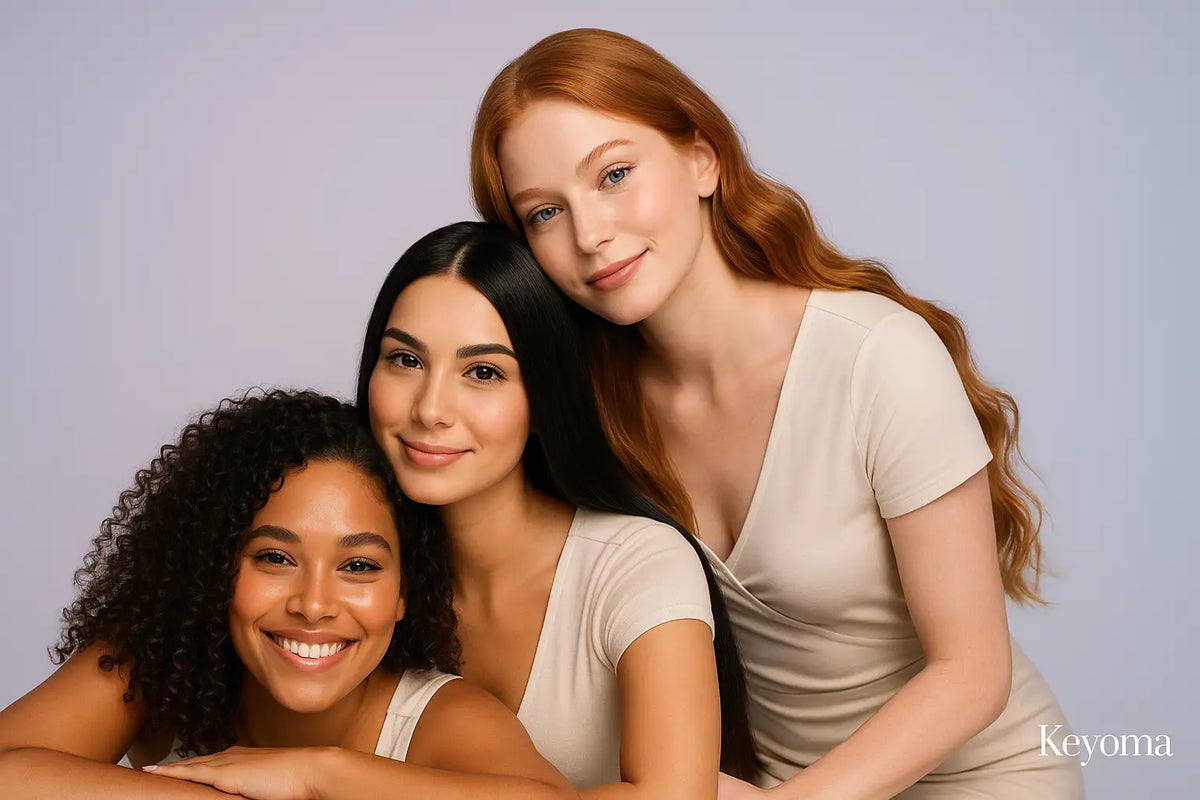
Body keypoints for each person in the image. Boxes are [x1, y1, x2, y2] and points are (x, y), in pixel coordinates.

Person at [468, 28, 1086, 799]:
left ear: (702, 157)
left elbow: (973, 674)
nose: (591, 234)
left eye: (615, 174)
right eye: (544, 213)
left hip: (977, 777)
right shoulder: (589, 409)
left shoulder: (874, 356)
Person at [0, 390, 576, 800]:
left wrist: (315, 776)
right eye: (275, 558)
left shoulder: (439, 717)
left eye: (358, 565)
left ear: (405, 592)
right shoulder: (158, 666)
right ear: (216, 567)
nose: (314, 603)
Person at [355, 221, 759, 796]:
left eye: (484, 372)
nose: (431, 409)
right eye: (405, 360)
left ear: (544, 400)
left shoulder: (635, 564)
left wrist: (330, 774)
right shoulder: (351, 572)